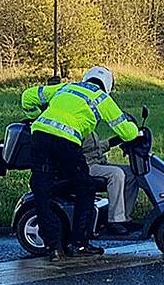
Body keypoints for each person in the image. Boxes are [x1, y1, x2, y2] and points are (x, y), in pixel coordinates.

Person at [21, 66, 139, 261]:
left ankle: (54, 249)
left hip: (39, 137)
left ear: (86, 78)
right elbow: (127, 132)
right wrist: (135, 130)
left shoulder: (66, 87)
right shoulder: (102, 98)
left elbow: (27, 97)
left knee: (43, 192)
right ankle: (79, 245)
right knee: (86, 187)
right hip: (66, 142)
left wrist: (35, 116)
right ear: (108, 85)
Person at [82, 132, 139, 236]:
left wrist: (116, 140)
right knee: (116, 174)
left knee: (132, 173)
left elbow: (97, 147)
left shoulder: (90, 129)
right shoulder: (79, 129)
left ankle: (125, 218)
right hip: (87, 166)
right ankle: (114, 221)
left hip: (100, 163)